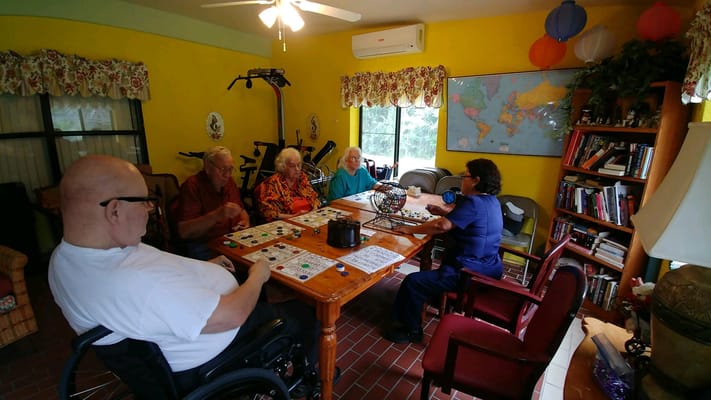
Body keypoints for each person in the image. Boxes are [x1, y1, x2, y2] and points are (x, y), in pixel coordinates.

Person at [48, 155, 318, 394]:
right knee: (309, 314)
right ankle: (306, 381)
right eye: (145, 202)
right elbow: (231, 315)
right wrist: (257, 276)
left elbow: (156, 278)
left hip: (187, 318)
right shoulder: (131, 282)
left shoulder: (65, 259)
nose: (151, 210)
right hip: (221, 346)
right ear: (114, 210)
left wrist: (206, 268)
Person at [384, 158, 504, 343]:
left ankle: (411, 330)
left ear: (476, 180)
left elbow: (442, 226)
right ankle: (428, 301)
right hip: (491, 267)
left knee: (412, 281)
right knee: (425, 278)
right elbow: (467, 220)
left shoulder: (472, 202)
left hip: (469, 273)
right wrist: (443, 211)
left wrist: (410, 229)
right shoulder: (492, 201)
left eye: (465, 176)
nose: (462, 180)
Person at [176, 146, 250, 260]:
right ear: (207, 167)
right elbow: (184, 231)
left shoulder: (230, 182)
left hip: (232, 239)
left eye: (230, 169)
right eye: (222, 169)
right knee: (230, 275)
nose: (227, 175)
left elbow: (242, 209)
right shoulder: (192, 185)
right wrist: (217, 215)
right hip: (205, 244)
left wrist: (245, 221)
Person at [254, 147, 321, 222]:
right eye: (292, 166)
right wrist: (293, 217)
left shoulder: (302, 177)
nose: (297, 169)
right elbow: (268, 212)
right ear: (283, 167)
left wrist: (314, 209)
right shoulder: (272, 183)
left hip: (309, 219)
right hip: (287, 221)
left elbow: (314, 197)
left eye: (299, 165)